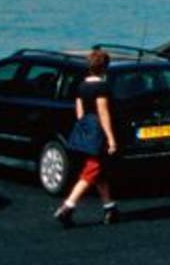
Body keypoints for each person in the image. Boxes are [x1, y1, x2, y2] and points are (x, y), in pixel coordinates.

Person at [54, 48, 119, 227]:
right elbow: (103, 113)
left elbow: (80, 112)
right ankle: (67, 207)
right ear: (104, 67)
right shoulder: (102, 87)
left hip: (84, 130)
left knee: (99, 171)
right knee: (92, 170)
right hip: (98, 132)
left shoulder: (82, 86)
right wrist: (111, 139)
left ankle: (109, 207)